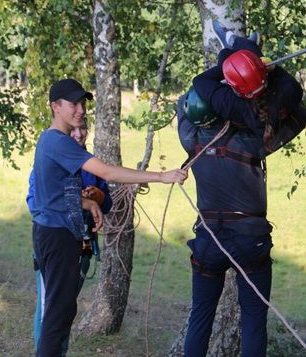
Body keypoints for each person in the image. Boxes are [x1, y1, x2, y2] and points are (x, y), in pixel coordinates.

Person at [178, 23, 306, 357]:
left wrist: (225, 78)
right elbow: (301, 114)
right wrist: (250, 75)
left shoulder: (189, 138)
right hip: (249, 239)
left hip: (209, 239)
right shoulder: (257, 141)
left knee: (200, 316)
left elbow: (184, 102)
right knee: (253, 320)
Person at [31, 78, 188, 357]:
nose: (80, 110)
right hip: (57, 238)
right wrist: (161, 176)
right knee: (56, 316)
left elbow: (52, 193)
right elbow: (108, 173)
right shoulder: (58, 142)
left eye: (82, 103)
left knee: (62, 310)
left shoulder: (50, 140)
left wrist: (88, 202)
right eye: (73, 104)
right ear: (55, 106)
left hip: (54, 234)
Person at [27, 120, 113, 355]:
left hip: (82, 247)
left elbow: (107, 202)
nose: (78, 134)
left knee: (64, 309)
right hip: (55, 243)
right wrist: (80, 201)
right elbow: (36, 203)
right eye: (72, 130)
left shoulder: (89, 163)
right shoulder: (48, 160)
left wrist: (99, 198)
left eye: (82, 128)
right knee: (49, 310)